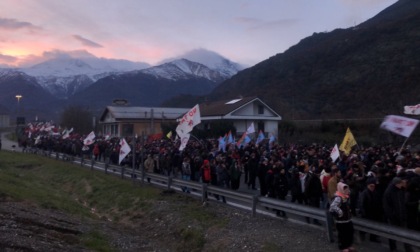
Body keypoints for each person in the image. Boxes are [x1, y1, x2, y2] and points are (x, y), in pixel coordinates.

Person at [383, 176, 413, 252]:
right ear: (396, 184)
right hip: (394, 217)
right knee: (393, 234)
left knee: (405, 234)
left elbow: (403, 203)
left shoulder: (401, 190)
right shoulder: (389, 192)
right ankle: (393, 248)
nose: (402, 185)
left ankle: (408, 248)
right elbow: (387, 206)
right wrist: (392, 215)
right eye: (400, 183)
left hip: (402, 216)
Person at [329, 182, 355, 252]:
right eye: (345, 189)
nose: (346, 191)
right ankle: (343, 247)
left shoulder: (345, 197)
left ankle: (348, 245)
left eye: (347, 189)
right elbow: (332, 207)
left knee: (350, 232)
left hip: (348, 219)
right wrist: (340, 212)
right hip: (341, 221)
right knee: (343, 234)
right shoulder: (338, 198)